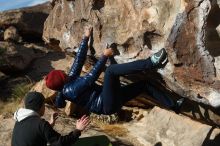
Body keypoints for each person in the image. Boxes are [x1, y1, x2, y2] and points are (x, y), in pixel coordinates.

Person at [45, 27, 183, 115]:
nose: (65, 72)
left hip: (110, 99)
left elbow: (78, 61)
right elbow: (91, 78)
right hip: (106, 105)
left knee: (144, 85)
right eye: (62, 74)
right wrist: (105, 56)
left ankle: (174, 106)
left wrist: (86, 38)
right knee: (110, 71)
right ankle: (151, 63)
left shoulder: (69, 81)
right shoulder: (70, 90)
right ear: (62, 80)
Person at [12, 91, 90, 146]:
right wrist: (78, 130)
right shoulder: (41, 124)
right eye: (44, 105)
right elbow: (61, 143)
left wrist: (49, 125)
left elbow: (33, 135)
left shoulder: (19, 120)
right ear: (41, 106)